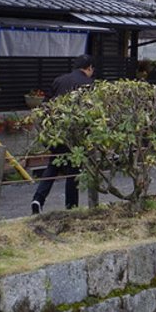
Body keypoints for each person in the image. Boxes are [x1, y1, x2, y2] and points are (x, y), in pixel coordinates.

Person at [31, 54, 95, 214]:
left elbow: (46, 105)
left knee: (53, 165)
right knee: (73, 170)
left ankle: (38, 199)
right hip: (76, 134)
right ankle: (71, 207)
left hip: (58, 132)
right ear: (89, 68)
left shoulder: (59, 80)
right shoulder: (89, 84)